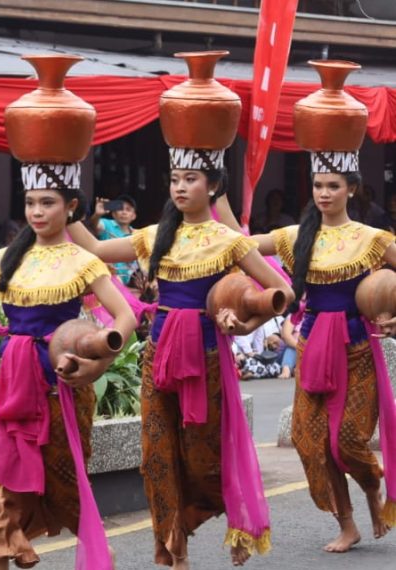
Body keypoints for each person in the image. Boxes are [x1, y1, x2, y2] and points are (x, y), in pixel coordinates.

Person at [67, 53, 290, 568]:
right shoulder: (154, 236)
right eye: (175, 179)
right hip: (159, 356)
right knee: (156, 458)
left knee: (203, 460)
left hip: (207, 358)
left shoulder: (229, 241)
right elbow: (96, 250)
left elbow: (280, 291)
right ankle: (173, 549)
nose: (181, 187)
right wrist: (66, 203)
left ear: (213, 186)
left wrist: (244, 322)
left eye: (191, 178)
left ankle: (221, 517)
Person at [0, 136, 134, 567]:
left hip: (62, 390)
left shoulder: (82, 261)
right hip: (13, 391)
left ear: (71, 207)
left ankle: (99, 552)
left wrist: (97, 362)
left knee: (66, 492)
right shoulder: (5, 258)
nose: (36, 212)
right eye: (30, 203)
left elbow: (124, 316)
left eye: (47, 203)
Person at [240, 65, 396, 552]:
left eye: (333, 186)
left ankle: (372, 485)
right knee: (310, 443)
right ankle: (346, 523)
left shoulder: (372, 238)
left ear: (351, 189)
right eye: (318, 185)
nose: (324, 193)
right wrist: (215, 197)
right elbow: (239, 244)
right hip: (311, 346)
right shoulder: (294, 236)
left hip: (357, 348)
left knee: (347, 441)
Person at [89, 195, 140, 285]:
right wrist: (97, 215)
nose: (124, 212)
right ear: (113, 214)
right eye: (120, 209)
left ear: (134, 216)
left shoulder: (137, 234)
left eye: (128, 210)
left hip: (128, 284)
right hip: (107, 280)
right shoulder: (106, 224)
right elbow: (93, 226)